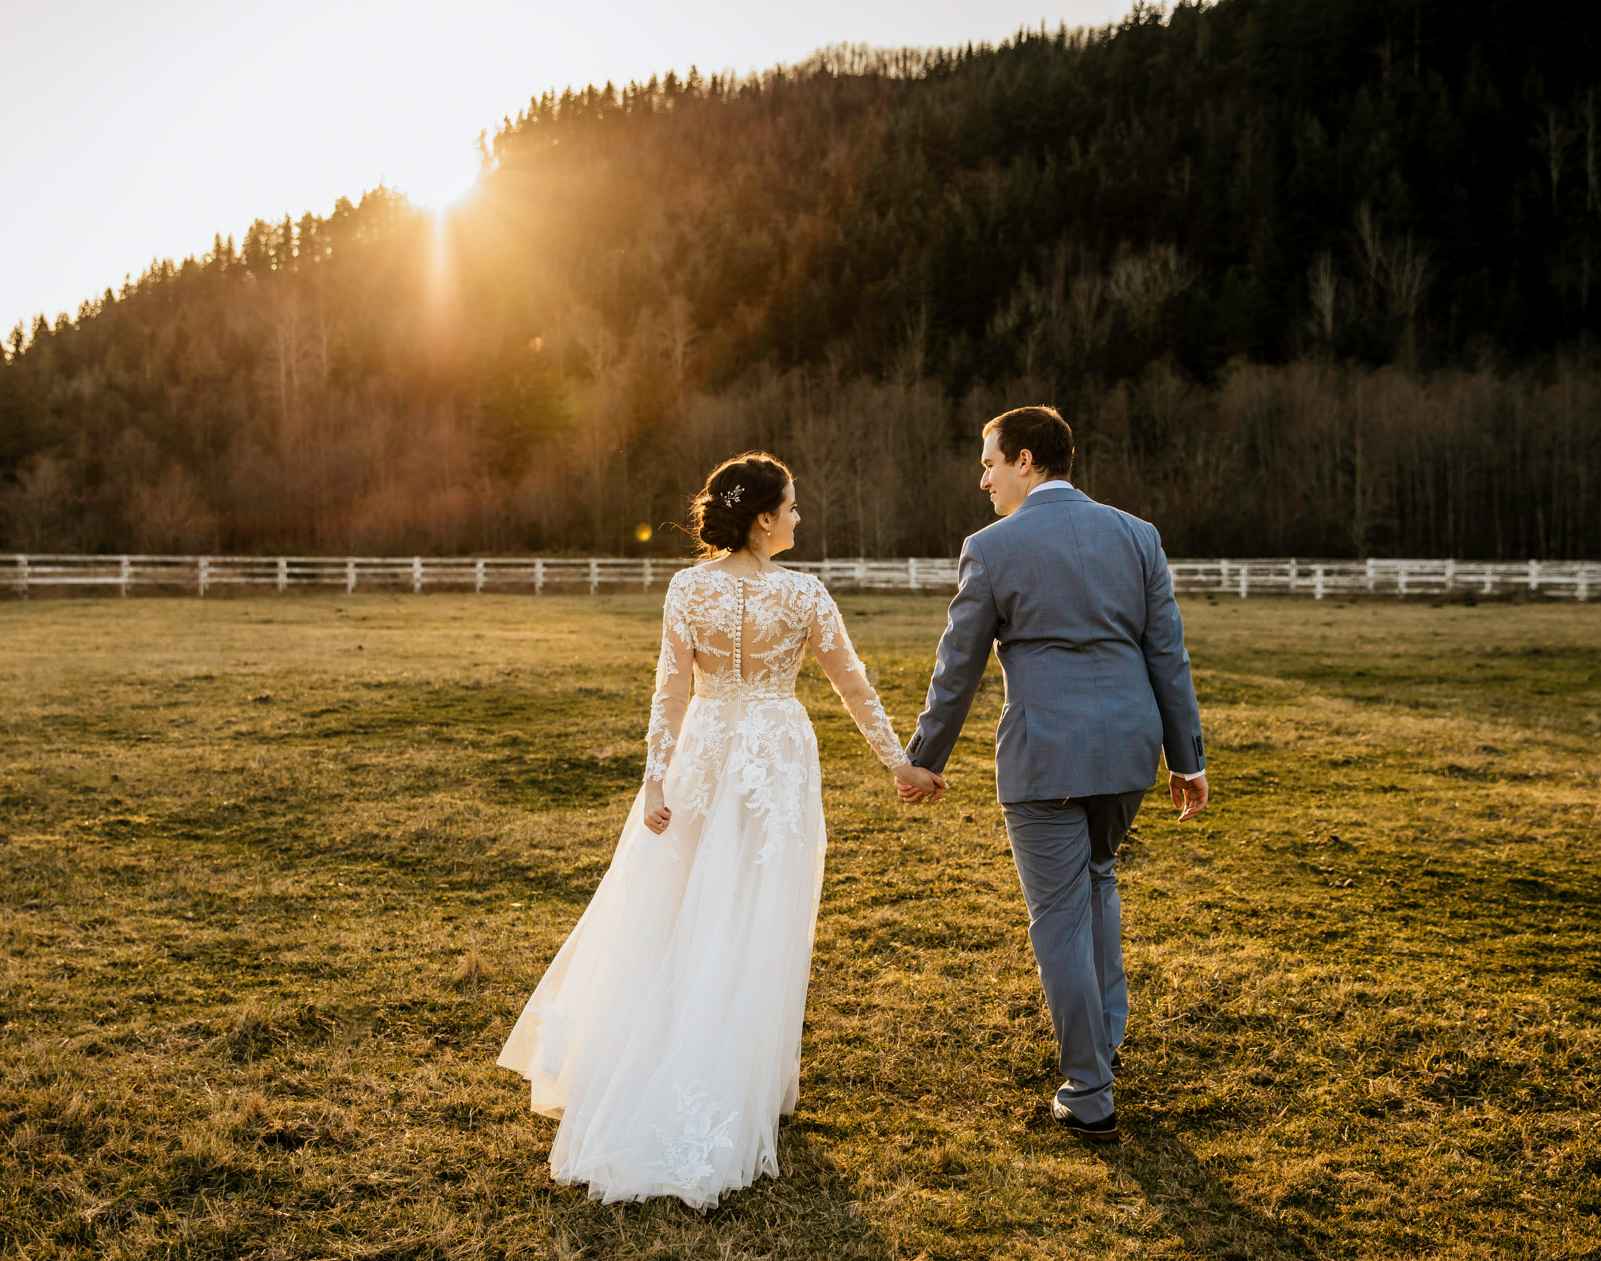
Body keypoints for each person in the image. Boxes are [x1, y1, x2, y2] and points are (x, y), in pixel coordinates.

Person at [498, 451, 934, 1208]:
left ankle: (675, 1063)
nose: (799, 518)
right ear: (764, 518)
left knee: (677, 912)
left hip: (702, 756)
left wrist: (656, 776)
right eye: (792, 507)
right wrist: (899, 762)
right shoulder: (803, 594)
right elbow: (850, 682)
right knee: (756, 916)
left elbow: (670, 691)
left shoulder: (687, 587)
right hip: (773, 762)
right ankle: (734, 1082)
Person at [896, 405, 1208, 1144]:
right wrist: (1186, 758)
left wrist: (924, 759)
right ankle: (1105, 1039)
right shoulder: (1139, 536)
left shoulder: (991, 547)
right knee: (1097, 877)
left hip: (1044, 759)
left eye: (989, 462)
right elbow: (1169, 653)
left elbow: (957, 669)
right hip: (1127, 753)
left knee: (1060, 916)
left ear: (1027, 460)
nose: (984, 478)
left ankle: (1090, 1088)